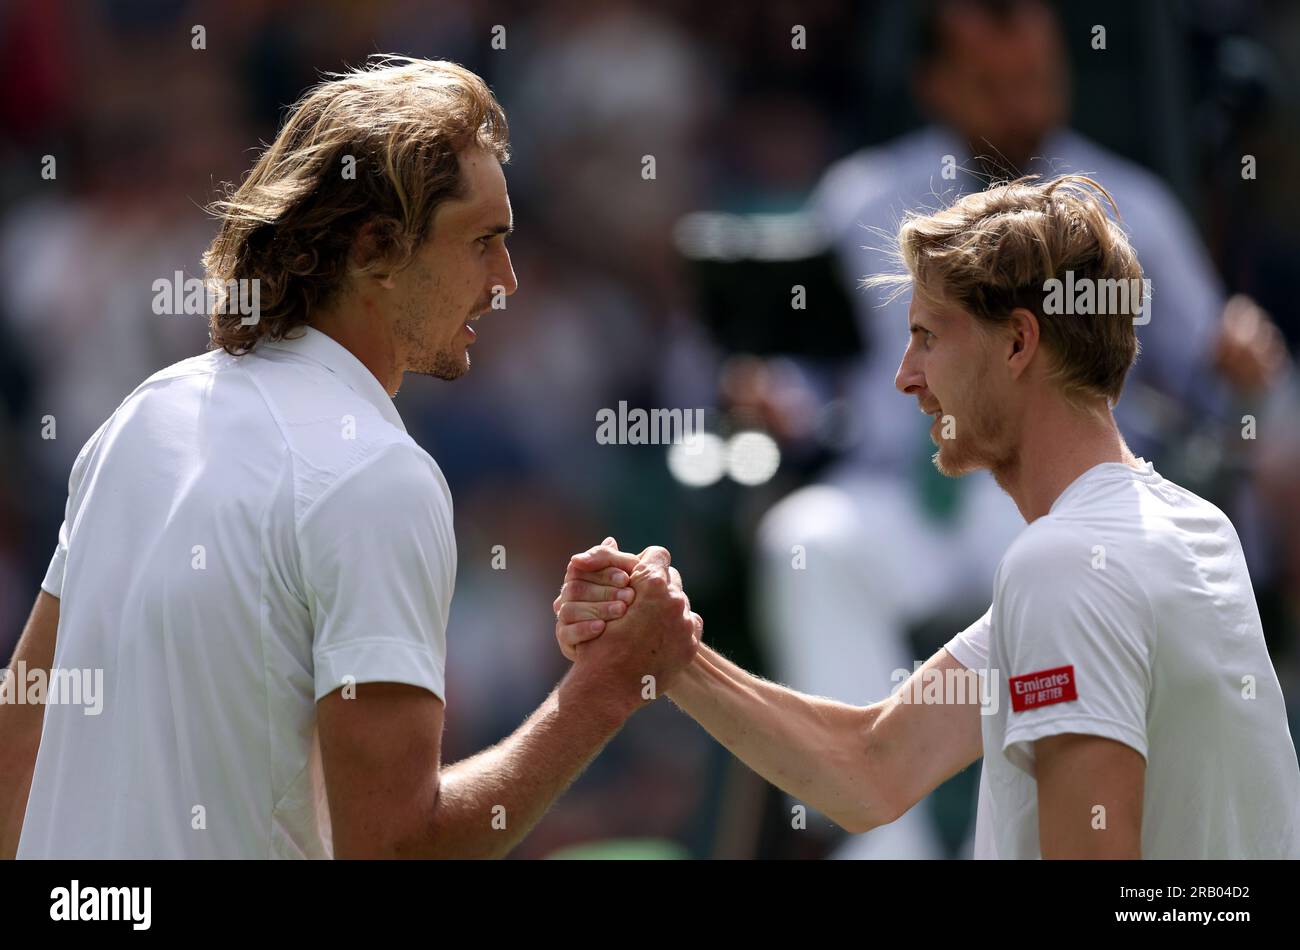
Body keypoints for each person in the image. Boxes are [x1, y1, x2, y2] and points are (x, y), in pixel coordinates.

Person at [0, 56, 700, 859]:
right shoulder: (376, 477)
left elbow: (15, 746)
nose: (505, 282)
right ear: (375, 249)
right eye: (482, 243)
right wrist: (604, 690)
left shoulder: (144, 414)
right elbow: (397, 849)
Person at [557, 174, 1300, 858]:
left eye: (928, 337)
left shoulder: (1066, 568)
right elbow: (872, 767)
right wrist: (668, 654)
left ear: (1017, 342)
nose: (906, 377)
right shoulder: (1187, 529)